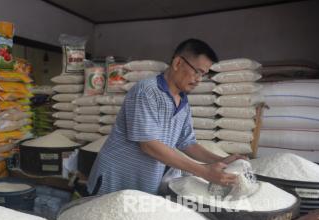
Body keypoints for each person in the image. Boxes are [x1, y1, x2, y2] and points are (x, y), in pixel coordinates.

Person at [87, 38, 244, 196]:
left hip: (142, 185)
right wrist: (204, 171)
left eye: (203, 74)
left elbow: (187, 143)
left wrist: (221, 161)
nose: (199, 80)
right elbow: (149, 145)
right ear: (177, 63)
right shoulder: (147, 91)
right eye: (197, 71)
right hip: (114, 181)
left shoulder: (183, 102)